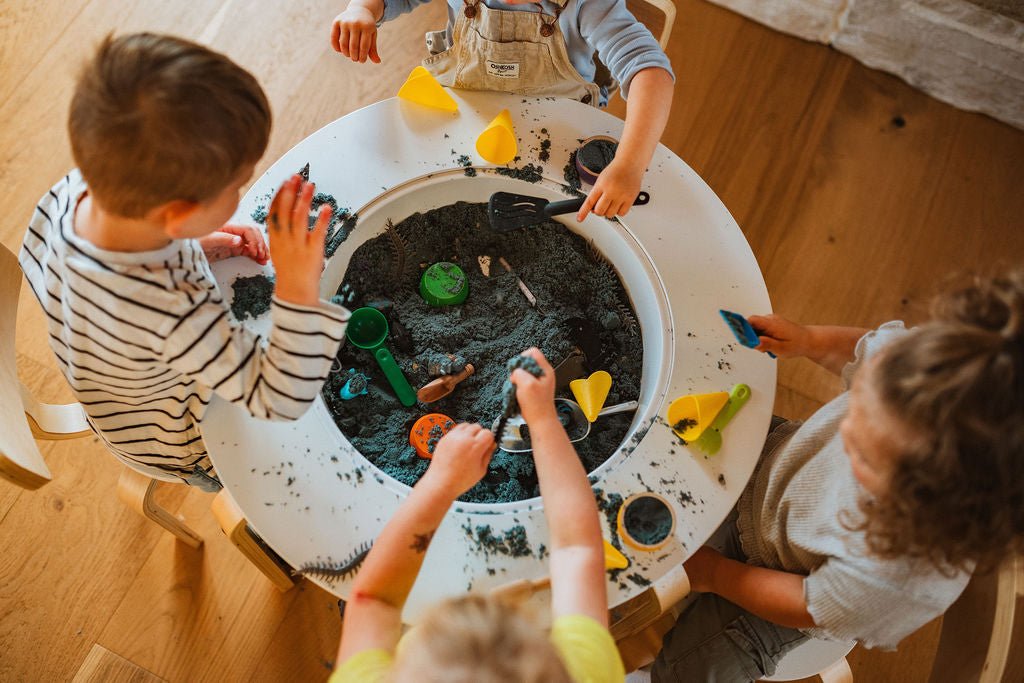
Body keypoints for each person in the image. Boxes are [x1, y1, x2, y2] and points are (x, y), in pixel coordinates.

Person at [650, 270, 1024, 681]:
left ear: (920, 504)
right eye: (858, 404)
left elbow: (805, 603)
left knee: (689, 671)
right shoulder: (933, 374)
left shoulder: (895, 579)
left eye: (862, 453)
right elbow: (865, 349)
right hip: (774, 469)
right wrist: (810, 340)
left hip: (783, 583)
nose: (845, 428)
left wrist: (716, 574)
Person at [19, 33, 349, 491]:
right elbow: (278, 396)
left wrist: (199, 243)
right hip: (172, 434)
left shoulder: (72, 191)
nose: (241, 195)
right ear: (176, 215)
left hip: (107, 366)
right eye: (237, 186)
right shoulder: (173, 311)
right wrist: (297, 288)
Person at [332, 348, 626, 682]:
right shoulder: (583, 672)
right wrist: (543, 416)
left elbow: (373, 599)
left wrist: (440, 483)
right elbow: (578, 548)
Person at [330, 0, 674, 221]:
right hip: (463, 112)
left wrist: (629, 165)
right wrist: (362, 9)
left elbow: (651, 73)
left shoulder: (588, 5)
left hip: (556, 125)